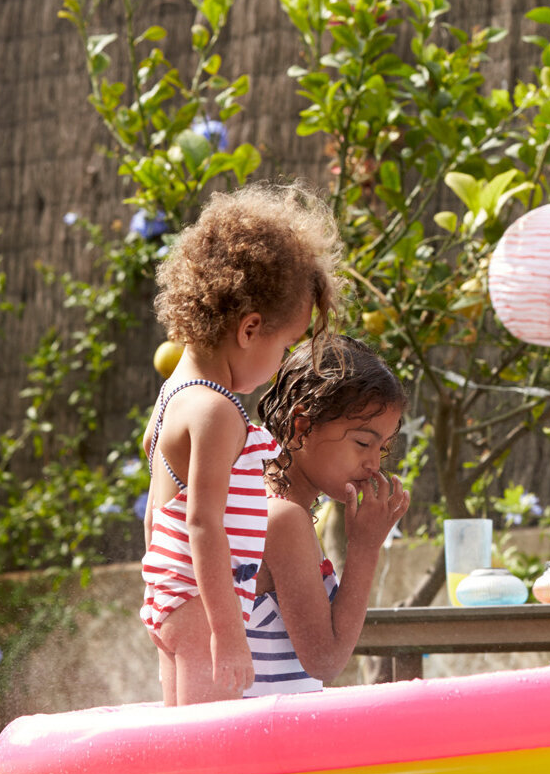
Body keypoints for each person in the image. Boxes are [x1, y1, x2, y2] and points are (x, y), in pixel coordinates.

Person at [140, 184, 342, 706]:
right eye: (286, 345)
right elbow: (203, 523)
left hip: (173, 599)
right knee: (212, 754)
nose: (283, 360)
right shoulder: (214, 409)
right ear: (250, 328)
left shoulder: (170, 397)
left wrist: (158, 592)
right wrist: (227, 632)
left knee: (184, 746)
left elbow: (157, 513)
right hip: (202, 610)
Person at [247, 335, 410, 696]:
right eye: (363, 443)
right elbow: (326, 661)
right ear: (302, 426)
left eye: (381, 449)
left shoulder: (270, 505)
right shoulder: (284, 519)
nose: (373, 463)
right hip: (268, 738)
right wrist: (365, 548)